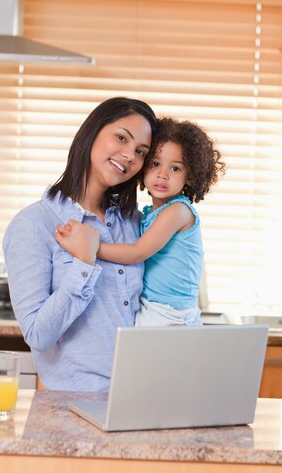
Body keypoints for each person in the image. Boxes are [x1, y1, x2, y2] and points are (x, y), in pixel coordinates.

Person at [3, 97, 156, 391]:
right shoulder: (33, 225)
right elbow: (37, 335)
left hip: (137, 397)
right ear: (92, 133)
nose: (129, 155)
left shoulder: (134, 223)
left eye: (140, 151)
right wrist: (84, 262)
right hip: (72, 408)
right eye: (121, 138)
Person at [56, 117, 225, 327]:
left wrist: (90, 248)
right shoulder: (148, 214)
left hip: (170, 313)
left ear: (190, 176)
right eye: (155, 164)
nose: (162, 174)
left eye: (175, 168)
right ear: (143, 168)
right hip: (154, 308)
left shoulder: (178, 211)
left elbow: (137, 252)